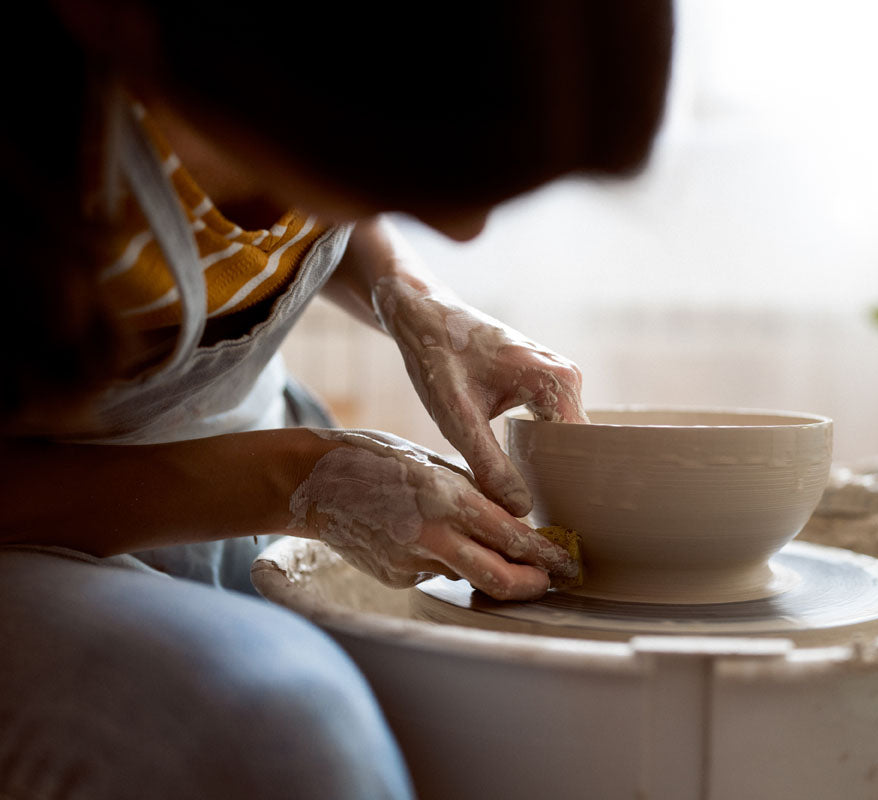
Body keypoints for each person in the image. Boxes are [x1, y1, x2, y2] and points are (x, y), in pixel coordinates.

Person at [0, 2, 672, 797]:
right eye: (422, 168)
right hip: (28, 522)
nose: (465, 229)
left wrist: (410, 297)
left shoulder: (271, 75)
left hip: (238, 470)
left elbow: (307, 169)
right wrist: (290, 478)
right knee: (282, 729)